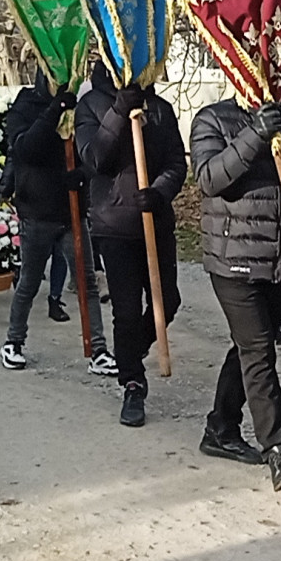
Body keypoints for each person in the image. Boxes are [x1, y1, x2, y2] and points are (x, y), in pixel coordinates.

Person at [190, 48, 281, 490]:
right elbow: (211, 178)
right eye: (274, 70)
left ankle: (221, 428)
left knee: (252, 345)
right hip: (231, 261)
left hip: (279, 261)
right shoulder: (212, 119)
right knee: (259, 353)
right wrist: (254, 134)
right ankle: (279, 450)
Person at [75, 61, 187, 427]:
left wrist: (160, 192)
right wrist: (120, 110)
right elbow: (94, 157)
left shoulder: (161, 109)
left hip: (155, 220)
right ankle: (133, 383)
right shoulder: (91, 105)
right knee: (126, 309)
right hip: (114, 224)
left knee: (167, 302)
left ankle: (130, 353)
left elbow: (175, 161)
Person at [0, 70, 115, 376]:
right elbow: (26, 150)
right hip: (36, 212)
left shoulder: (83, 107)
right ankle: (14, 342)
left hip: (71, 212)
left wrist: (84, 176)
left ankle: (98, 349)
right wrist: (54, 111)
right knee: (30, 281)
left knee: (87, 282)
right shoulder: (25, 106)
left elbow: (96, 152)